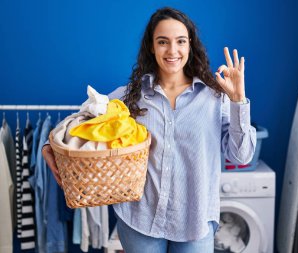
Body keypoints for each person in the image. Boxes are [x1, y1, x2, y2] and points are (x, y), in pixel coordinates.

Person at [42, 6, 256, 253]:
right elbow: (82, 119)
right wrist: (48, 145)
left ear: (190, 46)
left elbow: (241, 155)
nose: (172, 50)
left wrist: (239, 100)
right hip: (140, 221)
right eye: (163, 42)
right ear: (152, 47)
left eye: (180, 41)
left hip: (195, 223)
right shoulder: (131, 96)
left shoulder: (215, 98)